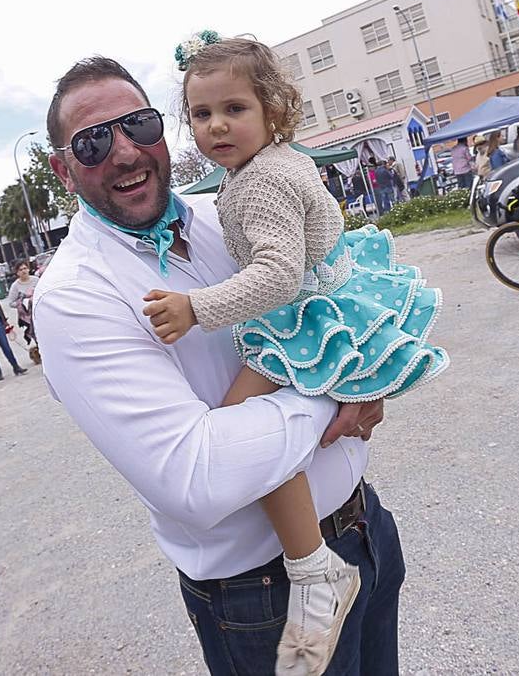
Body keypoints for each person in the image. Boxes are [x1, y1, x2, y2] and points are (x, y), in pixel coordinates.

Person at [36, 55, 407, 676]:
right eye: (94, 140)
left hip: (365, 530)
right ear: (63, 170)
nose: (125, 151)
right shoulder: (74, 296)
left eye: (140, 125)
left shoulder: (226, 211)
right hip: (263, 597)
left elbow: (318, 291)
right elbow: (194, 473)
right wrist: (334, 388)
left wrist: (369, 381)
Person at [142, 34, 447, 671]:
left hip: (305, 312)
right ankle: (315, 570)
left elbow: (277, 273)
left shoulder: (259, 184)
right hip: (329, 295)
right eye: (201, 115)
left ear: (272, 111)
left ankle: (311, 570)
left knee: (241, 432)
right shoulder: (275, 162)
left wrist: (194, 309)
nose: (217, 126)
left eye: (234, 109)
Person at [4, 261, 40, 358]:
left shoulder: (36, 280)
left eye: (25, 268)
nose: (23, 271)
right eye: (21, 270)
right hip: (27, 316)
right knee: (35, 333)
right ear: (17, 273)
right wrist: (22, 303)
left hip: (40, 311)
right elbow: (11, 303)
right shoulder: (15, 286)